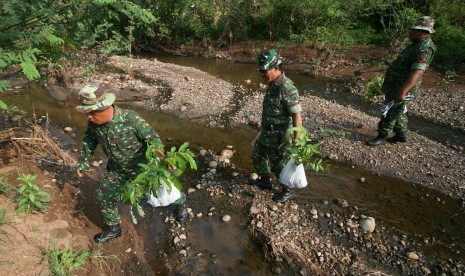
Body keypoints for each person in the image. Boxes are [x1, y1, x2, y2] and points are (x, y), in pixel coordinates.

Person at [75, 84, 188, 243]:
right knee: (104, 194)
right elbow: (89, 141)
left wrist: (157, 150)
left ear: (106, 107)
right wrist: (83, 162)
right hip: (118, 169)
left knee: (164, 192)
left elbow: (152, 138)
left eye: (92, 112)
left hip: (143, 169)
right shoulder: (94, 125)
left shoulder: (131, 119)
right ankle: (114, 228)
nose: (89, 116)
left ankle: (181, 202)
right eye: (87, 112)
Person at [367, 16, 436, 146]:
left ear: (425, 33)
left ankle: (382, 136)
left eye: (415, 31)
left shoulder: (424, 49)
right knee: (399, 110)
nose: (412, 32)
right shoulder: (417, 44)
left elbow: (417, 72)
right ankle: (400, 134)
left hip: (402, 87)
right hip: (396, 85)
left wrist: (403, 91)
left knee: (390, 111)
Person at [248, 49, 303, 203]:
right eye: (261, 71)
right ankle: (265, 182)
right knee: (257, 156)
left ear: (276, 68)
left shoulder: (287, 87)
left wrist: (297, 141)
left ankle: (287, 190)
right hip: (266, 132)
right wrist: (260, 132)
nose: (262, 75)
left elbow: (296, 115)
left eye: (265, 71)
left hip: (279, 136)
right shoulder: (272, 84)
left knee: (278, 165)